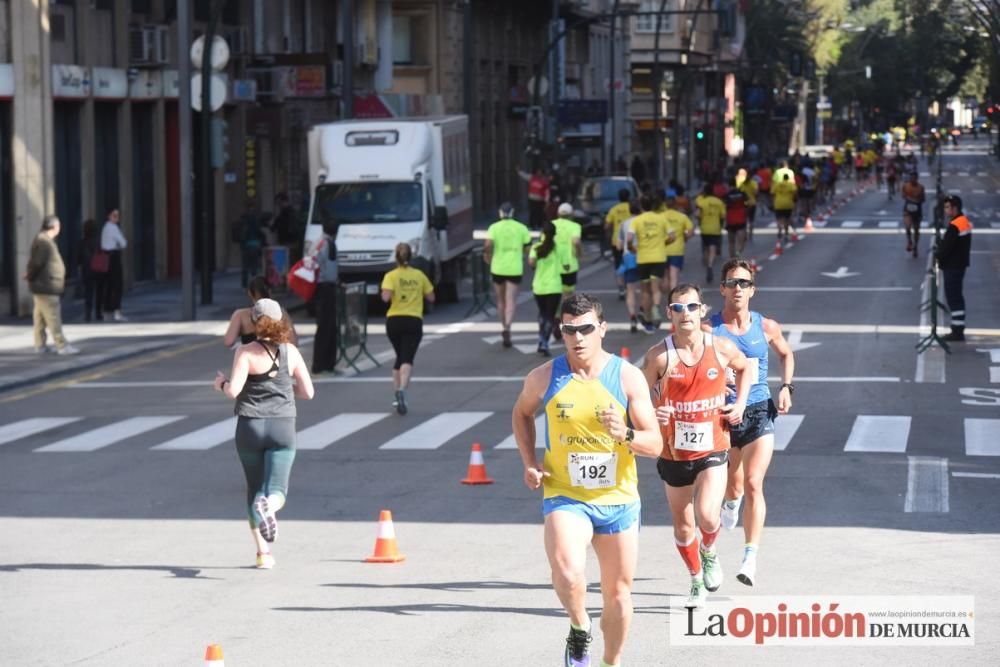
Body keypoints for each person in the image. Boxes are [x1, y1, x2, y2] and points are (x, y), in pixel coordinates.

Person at [512, 293, 663, 667]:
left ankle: (610, 661)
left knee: (618, 596)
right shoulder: (544, 377)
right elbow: (521, 414)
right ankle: (580, 628)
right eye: (569, 330)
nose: (577, 338)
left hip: (618, 499)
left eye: (585, 329)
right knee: (566, 570)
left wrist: (624, 433)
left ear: (602, 329)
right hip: (566, 494)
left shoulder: (626, 377)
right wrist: (529, 461)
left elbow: (655, 444)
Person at [640, 283, 751, 609]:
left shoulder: (721, 347)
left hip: (713, 446)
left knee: (707, 515)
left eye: (691, 307)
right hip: (673, 451)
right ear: (669, 314)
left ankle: (710, 551)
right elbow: (636, 396)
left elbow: (747, 368)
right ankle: (695, 579)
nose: (684, 314)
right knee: (683, 524)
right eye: (677, 308)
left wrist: (740, 404)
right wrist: (652, 411)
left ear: (702, 310)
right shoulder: (659, 356)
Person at [710, 258, 795, 587]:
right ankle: (730, 504)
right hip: (723, 415)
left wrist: (786, 387)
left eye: (744, 283)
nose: (737, 289)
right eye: (732, 283)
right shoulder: (710, 329)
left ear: (752, 290)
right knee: (733, 486)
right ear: (722, 289)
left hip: (759, 409)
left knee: (755, 483)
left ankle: (750, 558)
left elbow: (786, 354)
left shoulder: (767, 326)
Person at [214, 298, 314, 569]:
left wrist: (221, 383)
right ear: (280, 320)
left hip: (250, 427)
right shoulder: (290, 351)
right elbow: (308, 392)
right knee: (277, 490)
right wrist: (284, 388)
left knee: (254, 490)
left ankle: (263, 554)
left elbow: (234, 390)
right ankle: (270, 506)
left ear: (255, 322)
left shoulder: (245, 352)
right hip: (282, 427)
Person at [381, 242, 435, 414]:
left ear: (396, 257)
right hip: (413, 319)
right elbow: (431, 297)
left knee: (399, 357)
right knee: (407, 358)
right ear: (410, 257)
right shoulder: (419, 275)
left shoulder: (390, 276)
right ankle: (402, 390)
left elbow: (385, 297)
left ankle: (396, 394)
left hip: (394, 319)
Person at [25, 215, 79, 355]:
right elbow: (37, 262)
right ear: (54, 227)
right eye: (59, 226)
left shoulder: (44, 240)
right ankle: (62, 345)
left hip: (42, 285)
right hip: (46, 285)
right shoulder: (44, 241)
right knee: (53, 316)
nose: (59, 228)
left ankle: (40, 345)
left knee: (40, 318)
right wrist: (30, 275)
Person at [484, 202, 532, 348]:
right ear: (513, 212)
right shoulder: (521, 228)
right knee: (510, 300)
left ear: (500, 213)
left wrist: (488, 257)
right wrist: (523, 254)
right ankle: (508, 326)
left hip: (497, 267)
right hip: (514, 267)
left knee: (500, 300)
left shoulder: (494, 227)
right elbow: (528, 247)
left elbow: (487, 245)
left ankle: (503, 325)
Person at [627, 195, 674, 333]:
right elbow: (672, 236)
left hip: (643, 258)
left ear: (641, 205)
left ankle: (648, 322)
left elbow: (629, 238)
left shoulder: (637, 220)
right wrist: (663, 243)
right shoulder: (661, 219)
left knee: (645, 291)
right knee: (656, 288)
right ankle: (657, 308)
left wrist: (631, 248)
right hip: (659, 257)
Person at [223, 276, 299, 348]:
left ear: (250, 293)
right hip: (274, 358)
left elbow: (229, 341)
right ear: (269, 291)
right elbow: (293, 342)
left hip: (251, 358)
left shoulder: (240, 315)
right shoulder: (281, 312)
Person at [937, 195, 973, 342]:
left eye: (947, 207)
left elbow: (947, 247)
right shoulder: (963, 221)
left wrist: (938, 256)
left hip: (953, 266)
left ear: (955, 208)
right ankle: (958, 328)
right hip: (959, 265)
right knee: (957, 297)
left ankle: (957, 332)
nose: (945, 210)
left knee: (953, 298)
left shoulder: (955, 224)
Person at [528, 220, 564, 356]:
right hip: (554, 286)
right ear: (554, 234)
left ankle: (541, 337)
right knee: (550, 315)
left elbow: (531, 263)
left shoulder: (536, 247)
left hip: (538, 286)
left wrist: (536, 265)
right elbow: (566, 265)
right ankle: (544, 341)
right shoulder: (559, 248)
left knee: (542, 313)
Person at [310, 222, 340, 374]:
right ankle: (320, 364)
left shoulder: (328, 243)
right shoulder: (323, 243)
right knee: (324, 326)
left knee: (330, 327)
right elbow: (313, 263)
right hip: (323, 287)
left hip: (329, 286)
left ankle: (328, 363)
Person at [662, 193, 695, 297]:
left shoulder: (660, 217)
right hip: (677, 250)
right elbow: (690, 232)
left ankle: (666, 294)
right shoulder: (682, 217)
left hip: (662, 250)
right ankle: (672, 297)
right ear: (676, 205)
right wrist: (684, 237)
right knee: (674, 276)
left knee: (666, 276)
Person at [617, 202, 643, 333]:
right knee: (646, 287)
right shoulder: (644, 221)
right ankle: (643, 309)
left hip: (629, 257)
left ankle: (632, 315)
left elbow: (619, 245)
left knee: (630, 289)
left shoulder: (624, 224)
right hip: (646, 256)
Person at [99, 207, 128, 321]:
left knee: (108, 285)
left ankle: (107, 310)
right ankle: (116, 310)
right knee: (117, 285)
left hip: (105, 256)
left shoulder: (105, 227)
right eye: (114, 215)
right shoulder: (113, 228)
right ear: (109, 216)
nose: (117, 218)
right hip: (113, 257)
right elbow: (123, 243)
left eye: (117, 216)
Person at [695, 184, 725, 285]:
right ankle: (710, 264)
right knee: (713, 247)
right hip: (715, 228)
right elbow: (723, 215)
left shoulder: (702, 202)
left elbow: (697, 215)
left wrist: (700, 220)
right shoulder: (719, 202)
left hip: (704, 228)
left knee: (707, 247)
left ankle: (708, 262)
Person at [604, 189, 632, 300]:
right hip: (631, 240)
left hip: (617, 241)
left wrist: (610, 233)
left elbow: (607, 226)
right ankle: (629, 286)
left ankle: (621, 289)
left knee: (619, 265)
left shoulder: (614, 209)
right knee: (630, 264)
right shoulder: (632, 208)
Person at [553, 202, 583, 296]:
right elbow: (576, 241)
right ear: (571, 214)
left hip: (553, 263)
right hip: (569, 264)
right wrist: (579, 253)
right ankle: (565, 310)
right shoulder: (575, 226)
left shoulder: (551, 224)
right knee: (568, 294)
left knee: (555, 292)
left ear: (558, 213)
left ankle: (556, 310)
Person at [239, 201, 267, 288]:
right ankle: (254, 284)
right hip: (254, 244)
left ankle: (244, 284)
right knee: (254, 266)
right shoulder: (256, 219)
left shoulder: (243, 219)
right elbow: (259, 232)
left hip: (245, 245)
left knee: (245, 266)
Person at [723, 175, 749, 258]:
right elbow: (748, 204)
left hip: (730, 220)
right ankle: (738, 253)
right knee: (742, 240)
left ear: (729, 185)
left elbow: (724, 207)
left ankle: (732, 260)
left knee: (731, 242)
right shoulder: (742, 193)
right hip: (741, 219)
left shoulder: (726, 195)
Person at [79, 218, 100, 322]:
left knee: (88, 292)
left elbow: (78, 257)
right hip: (99, 268)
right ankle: (98, 313)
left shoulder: (83, 242)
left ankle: (88, 313)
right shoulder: (99, 241)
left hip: (87, 269)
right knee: (99, 291)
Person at [901, 171, 926, 258]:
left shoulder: (921, 187)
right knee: (907, 227)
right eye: (911, 178)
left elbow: (923, 199)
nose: (913, 179)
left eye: (914, 178)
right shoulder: (905, 186)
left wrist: (917, 200)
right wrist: (910, 199)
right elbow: (903, 196)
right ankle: (909, 241)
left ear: (917, 178)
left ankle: (915, 247)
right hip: (907, 209)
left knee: (916, 229)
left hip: (917, 210)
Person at [771, 173, 797, 246]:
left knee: (779, 219)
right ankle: (786, 233)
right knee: (787, 219)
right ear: (788, 178)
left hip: (778, 204)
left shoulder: (777, 184)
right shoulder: (791, 185)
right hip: (788, 204)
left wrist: (773, 201)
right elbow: (795, 192)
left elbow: (772, 193)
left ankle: (779, 230)